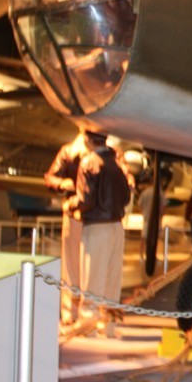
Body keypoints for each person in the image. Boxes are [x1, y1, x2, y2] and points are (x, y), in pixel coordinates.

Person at [68, 130, 131, 337]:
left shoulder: (89, 163)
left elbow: (85, 199)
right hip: (116, 226)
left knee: (92, 277)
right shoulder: (116, 164)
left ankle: (89, 327)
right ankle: (110, 326)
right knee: (112, 279)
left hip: (97, 226)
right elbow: (126, 196)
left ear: (87, 139)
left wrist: (71, 204)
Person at [45, 128, 90, 324]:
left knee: (92, 268)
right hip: (75, 215)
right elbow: (50, 178)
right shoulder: (68, 152)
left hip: (96, 218)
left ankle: (90, 313)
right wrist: (64, 183)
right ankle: (70, 312)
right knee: (71, 267)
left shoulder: (108, 152)